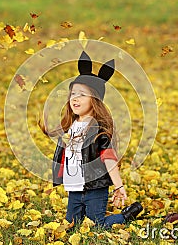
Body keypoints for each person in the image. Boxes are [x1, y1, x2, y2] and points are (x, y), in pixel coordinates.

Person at [39, 51, 143, 230]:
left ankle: (127, 215)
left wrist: (118, 186)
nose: (75, 98)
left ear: (95, 100)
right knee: (72, 224)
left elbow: (109, 159)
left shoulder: (98, 129)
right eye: (73, 94)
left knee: (97, 225)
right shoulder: (71, 126)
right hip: (74, 189)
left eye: (82, 94)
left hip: (94, 187)